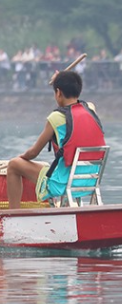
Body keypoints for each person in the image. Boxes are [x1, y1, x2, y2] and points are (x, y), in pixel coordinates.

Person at [6, 69, 105, 209]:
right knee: (49, 166)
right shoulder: (90, 108)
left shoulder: (55, 118)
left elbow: (33, 153)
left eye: (55, 93)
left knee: (14, 165)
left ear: (58, 93)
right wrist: (62, 78)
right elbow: (78, 104)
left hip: (64, 183)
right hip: (90, 181)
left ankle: (13, 215)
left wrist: (22, 157)